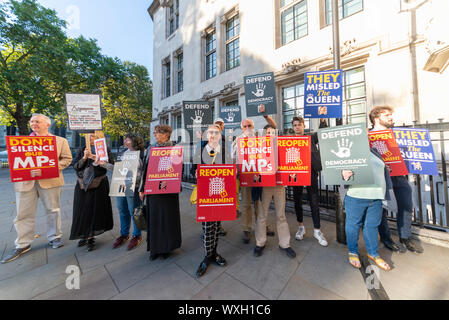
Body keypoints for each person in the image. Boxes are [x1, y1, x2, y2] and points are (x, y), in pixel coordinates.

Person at [1, 114, 72, 264]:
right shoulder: (20, 142)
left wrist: (48, 168)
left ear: (47, 124)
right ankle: (23, 243)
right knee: (22, 214)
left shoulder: (60, 141)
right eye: (32, 121)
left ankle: (55, 237)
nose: (34, 124)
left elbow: (67, 159)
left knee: (53, 210)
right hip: (25, 183)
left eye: (37, 121)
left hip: (51, 181)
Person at [369, 106, 422, 253]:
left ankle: (405, 237)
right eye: (387, 115)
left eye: (391, 115)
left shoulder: (397, 134)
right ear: (376, 118)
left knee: (406, 204)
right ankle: (386, 238)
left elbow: (411, 151)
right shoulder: (368, 136)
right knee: (382, 210)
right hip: (380, 178)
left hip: (398, 176)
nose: (391, 117)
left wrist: (417, 161)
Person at [342, 148, 393, 271]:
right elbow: (336, 171)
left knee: (372, 226)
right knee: (353, 225)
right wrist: (342, 175)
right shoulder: (347, 151)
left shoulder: (374, 151)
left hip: (376, 197)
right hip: (356, 196)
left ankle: (373, 253)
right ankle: (353, 252)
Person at [139, 125, 182, 261]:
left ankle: (167, 248)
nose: (155, 135)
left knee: (168, 219)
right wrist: (142, 188)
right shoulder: (151, 149)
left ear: (166, 134)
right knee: (154, 219)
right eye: (155, 133)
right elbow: (145, 170)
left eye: (157, 133)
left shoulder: (175, 149)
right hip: (153, 190)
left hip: (169, 191)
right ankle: (155, 249)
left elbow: (177, 170)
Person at [254, 124, 296, 259]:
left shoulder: (281, 147)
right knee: (262, 215)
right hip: (264, 185)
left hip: (279, 185)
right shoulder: (259, 148)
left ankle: (285, 244)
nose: (270, 135)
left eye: (273, 132)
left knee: (281, 215)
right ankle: (260, 242)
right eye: (268, 133)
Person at [192, 124, 229, 277]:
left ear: (220, 135)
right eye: (210, 133)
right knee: (207, 226)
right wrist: (195, 172)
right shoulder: (200, 150)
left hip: (220, 193)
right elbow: (193, 169)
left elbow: (231, 169)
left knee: (217, 224)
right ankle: (208, 256)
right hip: (205, 193)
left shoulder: (225, 151)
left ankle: (214, 253)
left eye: (216, 132)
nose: (213, 135)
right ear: (207, 136)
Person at [70, 131, 114, 251]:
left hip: (98, 183)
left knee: (95, 210)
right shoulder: (82, 149)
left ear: (99, 137)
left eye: (93, 136)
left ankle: (91, 236)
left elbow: (111, 165)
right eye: (88, 136)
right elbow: (75, 166)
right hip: (82, 185)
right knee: (82, 210)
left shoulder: (105, 150)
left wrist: (97, 159)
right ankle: (84, 234)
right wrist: (84, 157)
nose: (90, 138)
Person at [234, 116, 275, 244]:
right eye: (245, 126)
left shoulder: (259, 137)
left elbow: (273, 129)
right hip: (245, 174)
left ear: (253, 127)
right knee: (246, 203)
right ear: (242, 128)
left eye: (249, 126)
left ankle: (262, 226)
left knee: (260, 203)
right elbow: (234, 156)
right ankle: (246, 228)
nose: (247, 128)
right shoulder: (238, 140)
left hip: (259, 174)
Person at [291, 117, 328, 246]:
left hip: (311, 172)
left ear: (303, 125)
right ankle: (301, 227)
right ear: (293, 127)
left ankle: (317, 230)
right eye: (295, 125)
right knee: (297, 201)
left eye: (299, 125)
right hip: (295, 174)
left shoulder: (310, 138)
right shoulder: (289, 140)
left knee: (314, 202)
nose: (297, 127)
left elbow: (322, 134)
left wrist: (322, 121)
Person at [112, 133, 145, 250]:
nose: (125, 141)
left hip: (133, 187)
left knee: (133, 211)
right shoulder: (122, 153)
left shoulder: (141, 154)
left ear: (135, 141)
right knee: (122, 210)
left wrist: (137, 182)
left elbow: (143, 173)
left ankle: (137, 235)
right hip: (120, 186)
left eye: (128, 139)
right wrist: (103, 164)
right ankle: (124, 234)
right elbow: (117, 169)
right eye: (125, 139)